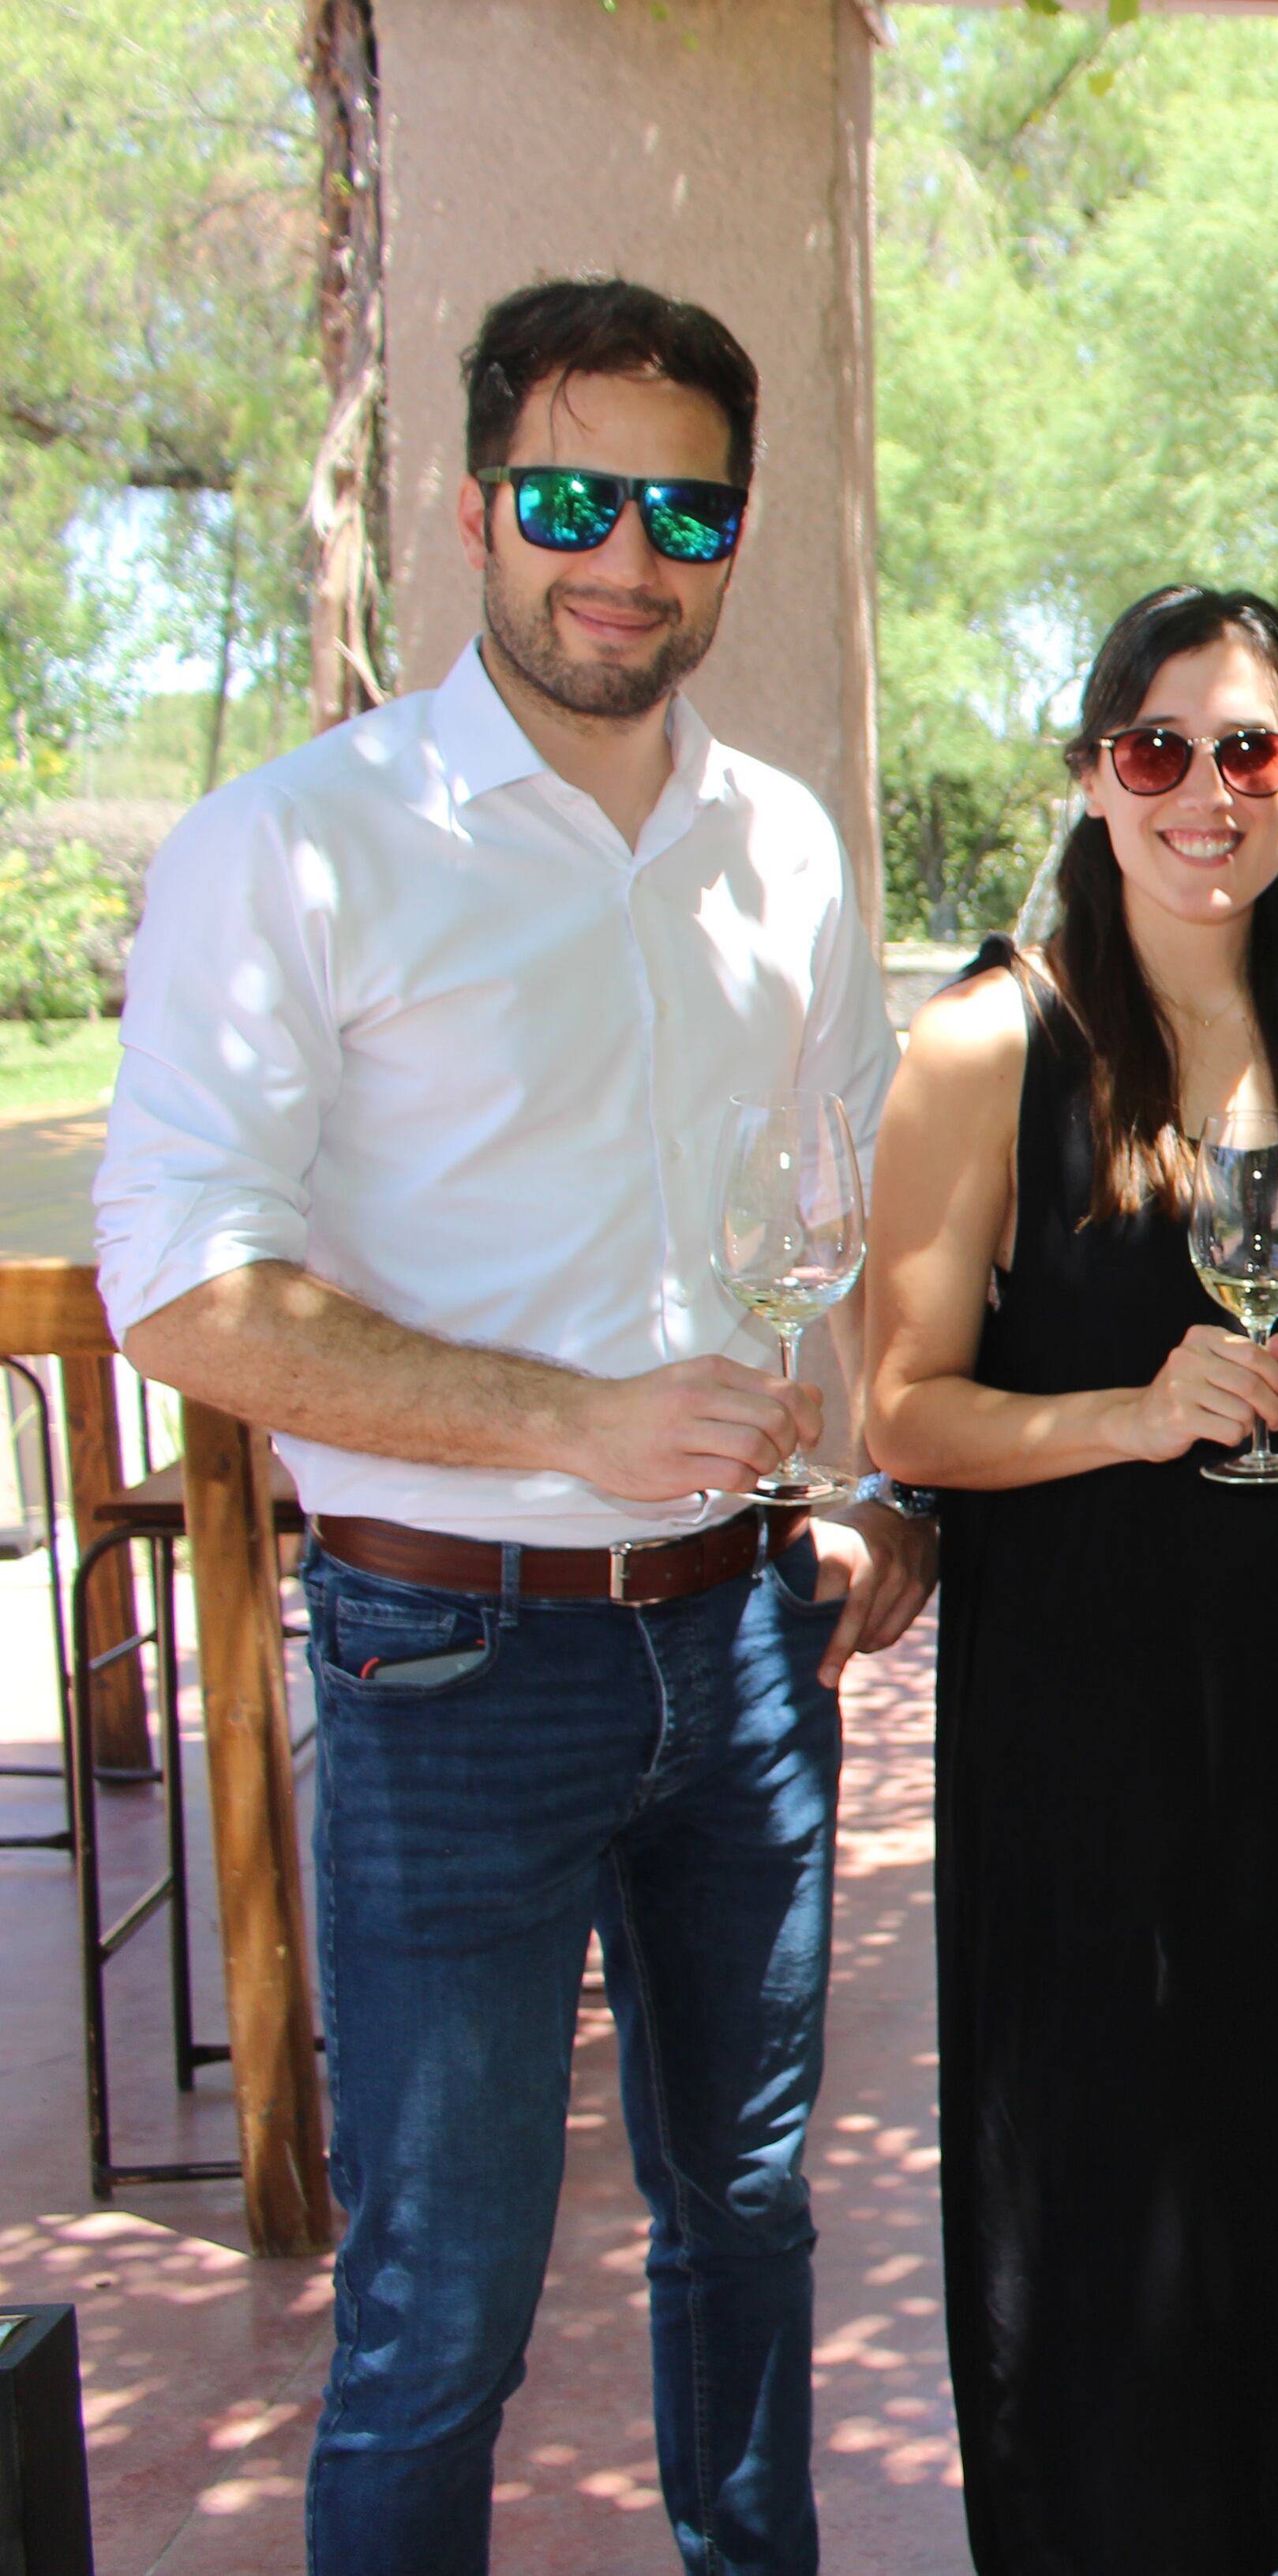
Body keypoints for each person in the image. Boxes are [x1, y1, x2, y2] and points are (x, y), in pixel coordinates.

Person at [90, 277, 935, 2576]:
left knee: (746, 2219)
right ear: (475, 511)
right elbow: (179, 1282)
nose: (627, 555)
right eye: (572, 495)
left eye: (686, 507)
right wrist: (578, 1416)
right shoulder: (302, 845)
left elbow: (827, 1223)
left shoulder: (787, 849)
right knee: (440, 2305)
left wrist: (863, 1495)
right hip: (441, 1661)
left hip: (752, 1653)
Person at [859, 585, 1278, 2572]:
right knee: (1127, 2196)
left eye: (1250, 752)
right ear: (1093, 775)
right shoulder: (991, 1041)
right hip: (1102, 1742)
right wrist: (1120, 1421)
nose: (1204, 794)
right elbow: (901, 1410)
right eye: (1158, 750)